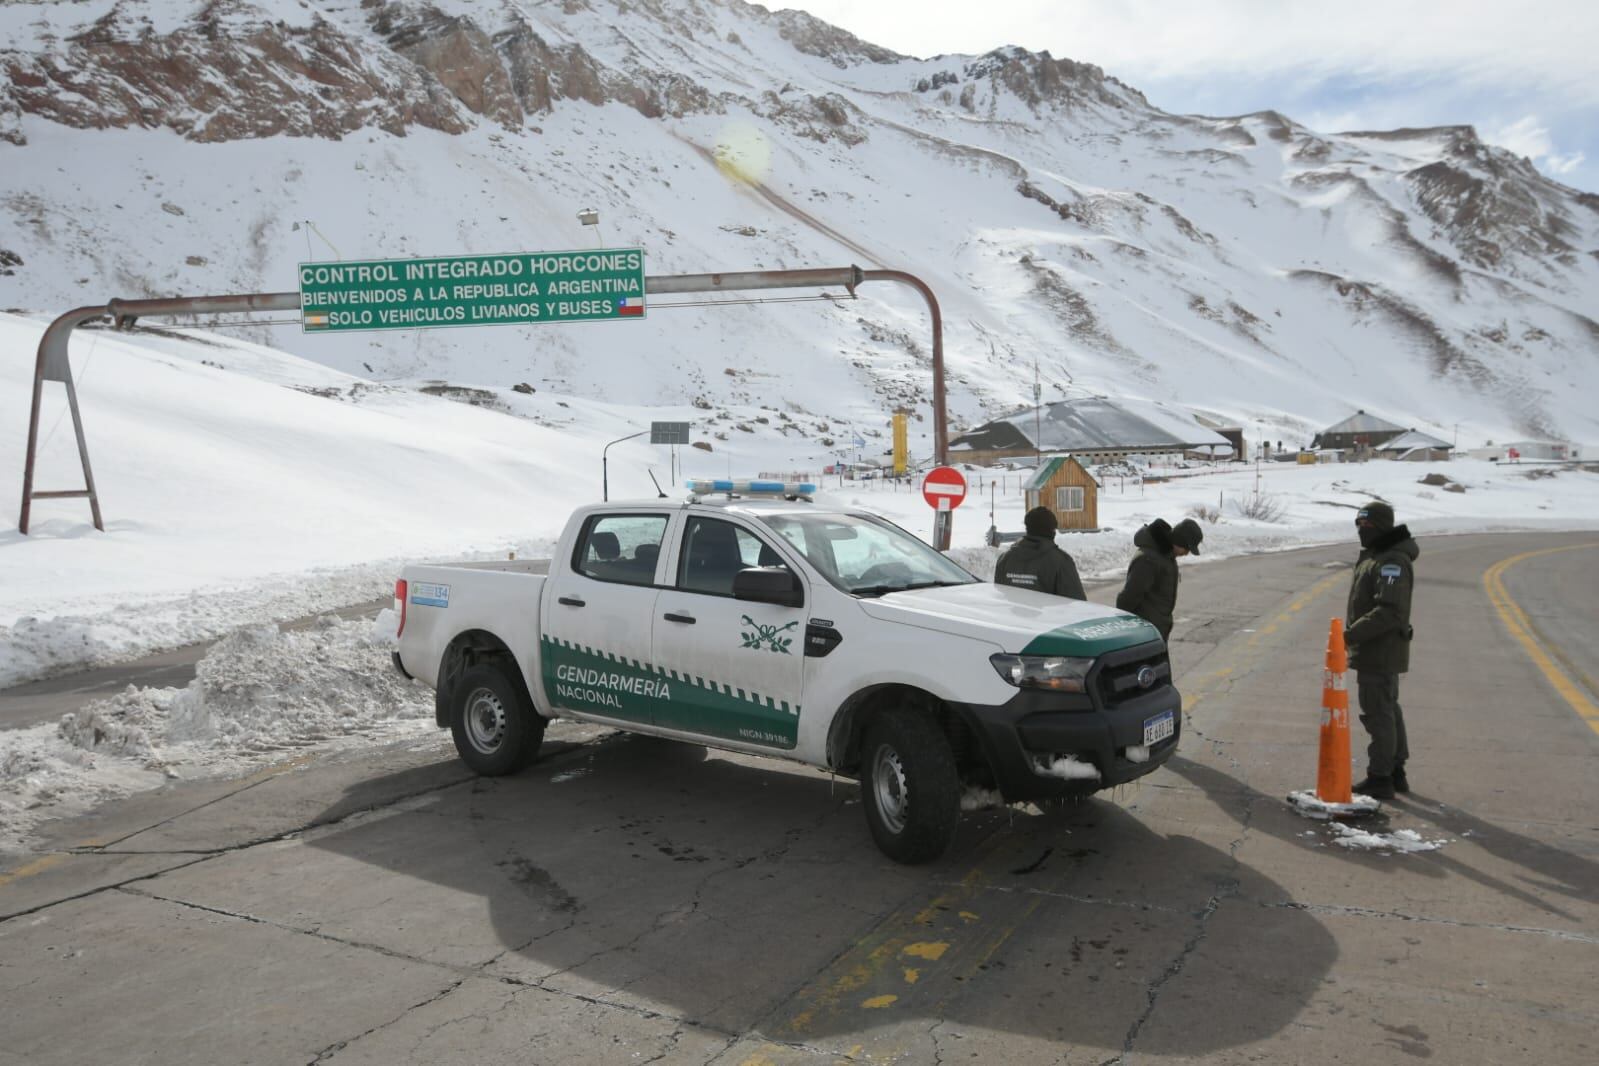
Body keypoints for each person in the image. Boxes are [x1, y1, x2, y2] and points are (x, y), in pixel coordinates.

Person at [1345, 501, 1419, 800]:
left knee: (1378, 713)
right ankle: (1395, 770)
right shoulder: (1377, 556)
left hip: (1380, 649)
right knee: (1388, 709)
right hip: (1375, 649)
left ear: (1382, 527)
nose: (1362, 531)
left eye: (1368, 526)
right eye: (1359, 526)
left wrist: (1350, 635)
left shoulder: (1392, 561)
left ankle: (1380, 776)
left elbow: (1390, 611)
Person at [1116, 517, 1203, 641]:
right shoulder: (1149, 559)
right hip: (1144, 633)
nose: (1187, 553)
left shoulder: (1166, 556)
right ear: (1179, 541)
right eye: (1187, 548)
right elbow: (1130, 595)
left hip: (1156, 631)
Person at [994, 506, 1086, 599]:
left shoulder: (1004, 559)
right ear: (1052, 530)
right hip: (1049, 614)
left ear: (1027, 528)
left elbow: (1001, 598)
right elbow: (1077, 605)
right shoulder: (1061, 562)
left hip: (1011, 613)